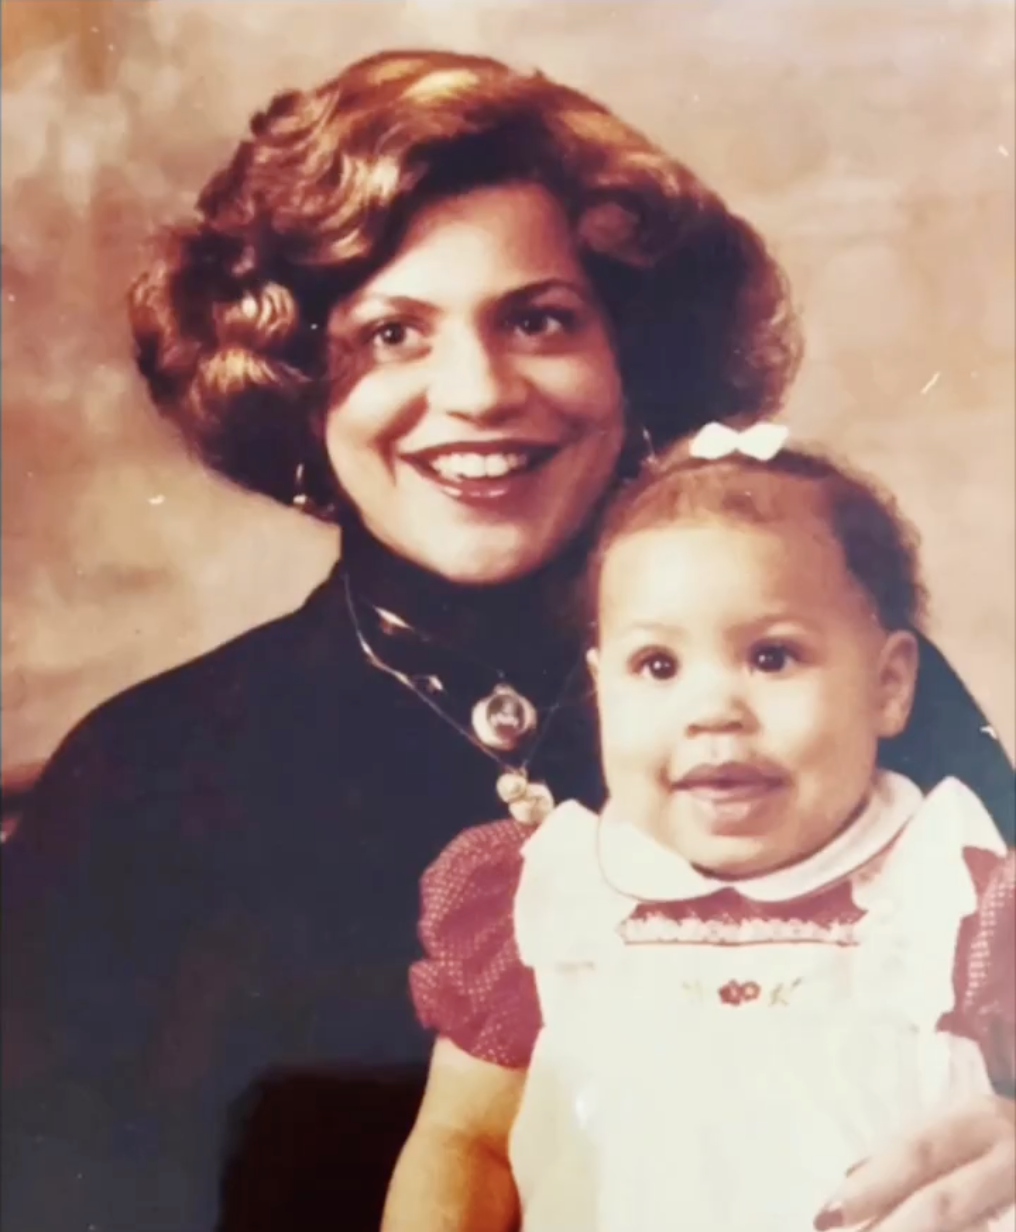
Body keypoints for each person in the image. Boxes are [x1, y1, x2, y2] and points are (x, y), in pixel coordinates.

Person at [1, 48, 1012, 1232]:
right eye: (390, 334)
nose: (475, 390)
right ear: (289, 379)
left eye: (537, 318)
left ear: (632, 357)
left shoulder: (840, 693)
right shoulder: (144, 777)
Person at [386, 428, 1016, 1232]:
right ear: (601, 688)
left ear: (888, 687)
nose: (713, 710)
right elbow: (464, 1141)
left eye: (773, 657)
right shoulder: (548, 900)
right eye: (657, 666)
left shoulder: (959, 899)